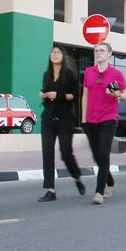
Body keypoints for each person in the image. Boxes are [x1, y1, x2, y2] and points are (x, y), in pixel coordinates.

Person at [80, 42, 126, 204]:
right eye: (96, 51)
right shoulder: (88, 72)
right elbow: (85, 94)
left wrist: (118, 94)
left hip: (109, 118)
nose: (98, 53)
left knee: (103, 153)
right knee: (96, 155)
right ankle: (111, 182)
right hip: (90, 119)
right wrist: (83, 117)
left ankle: (99, 192)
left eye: (101, 50)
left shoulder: (116, 74)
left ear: (109, 54)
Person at [38, 44, 85, 202]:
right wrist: (43, 94)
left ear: (63, 57)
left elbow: (74, 95)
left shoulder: (69, 74)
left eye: (58, 52)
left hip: (65, 119)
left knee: (66, 154)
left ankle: (77, 177)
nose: (55, 54)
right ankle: (50, 190)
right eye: (53, 52)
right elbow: (45, 90)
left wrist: (58, 95)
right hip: (48, 119)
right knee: (47, 153)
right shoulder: (47, 74)